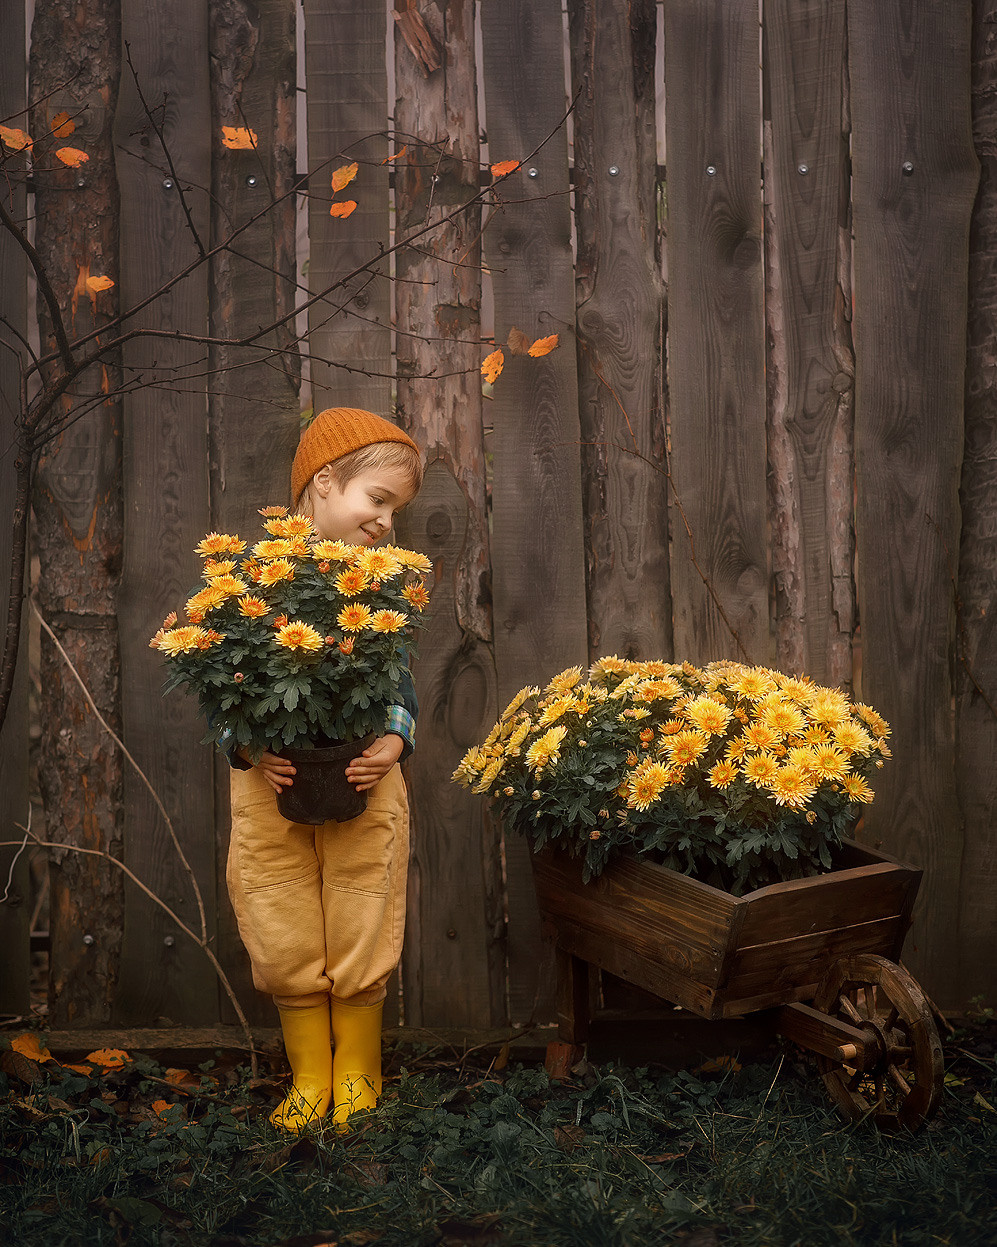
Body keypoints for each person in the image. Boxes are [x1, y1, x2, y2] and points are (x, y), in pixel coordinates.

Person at [226, 406, 423, 1132]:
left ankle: (358, 1071)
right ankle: (310, 1074)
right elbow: (227, 680)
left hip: (363, 775)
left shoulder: (382, 585)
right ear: (324, 482)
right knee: (277, 908)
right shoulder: (249, 582)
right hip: (270, 779)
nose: (386, 523)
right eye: (378, 499)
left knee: (363, 900)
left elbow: (396, 676)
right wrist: (247, 745)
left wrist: (395, 740)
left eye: (395, 511)